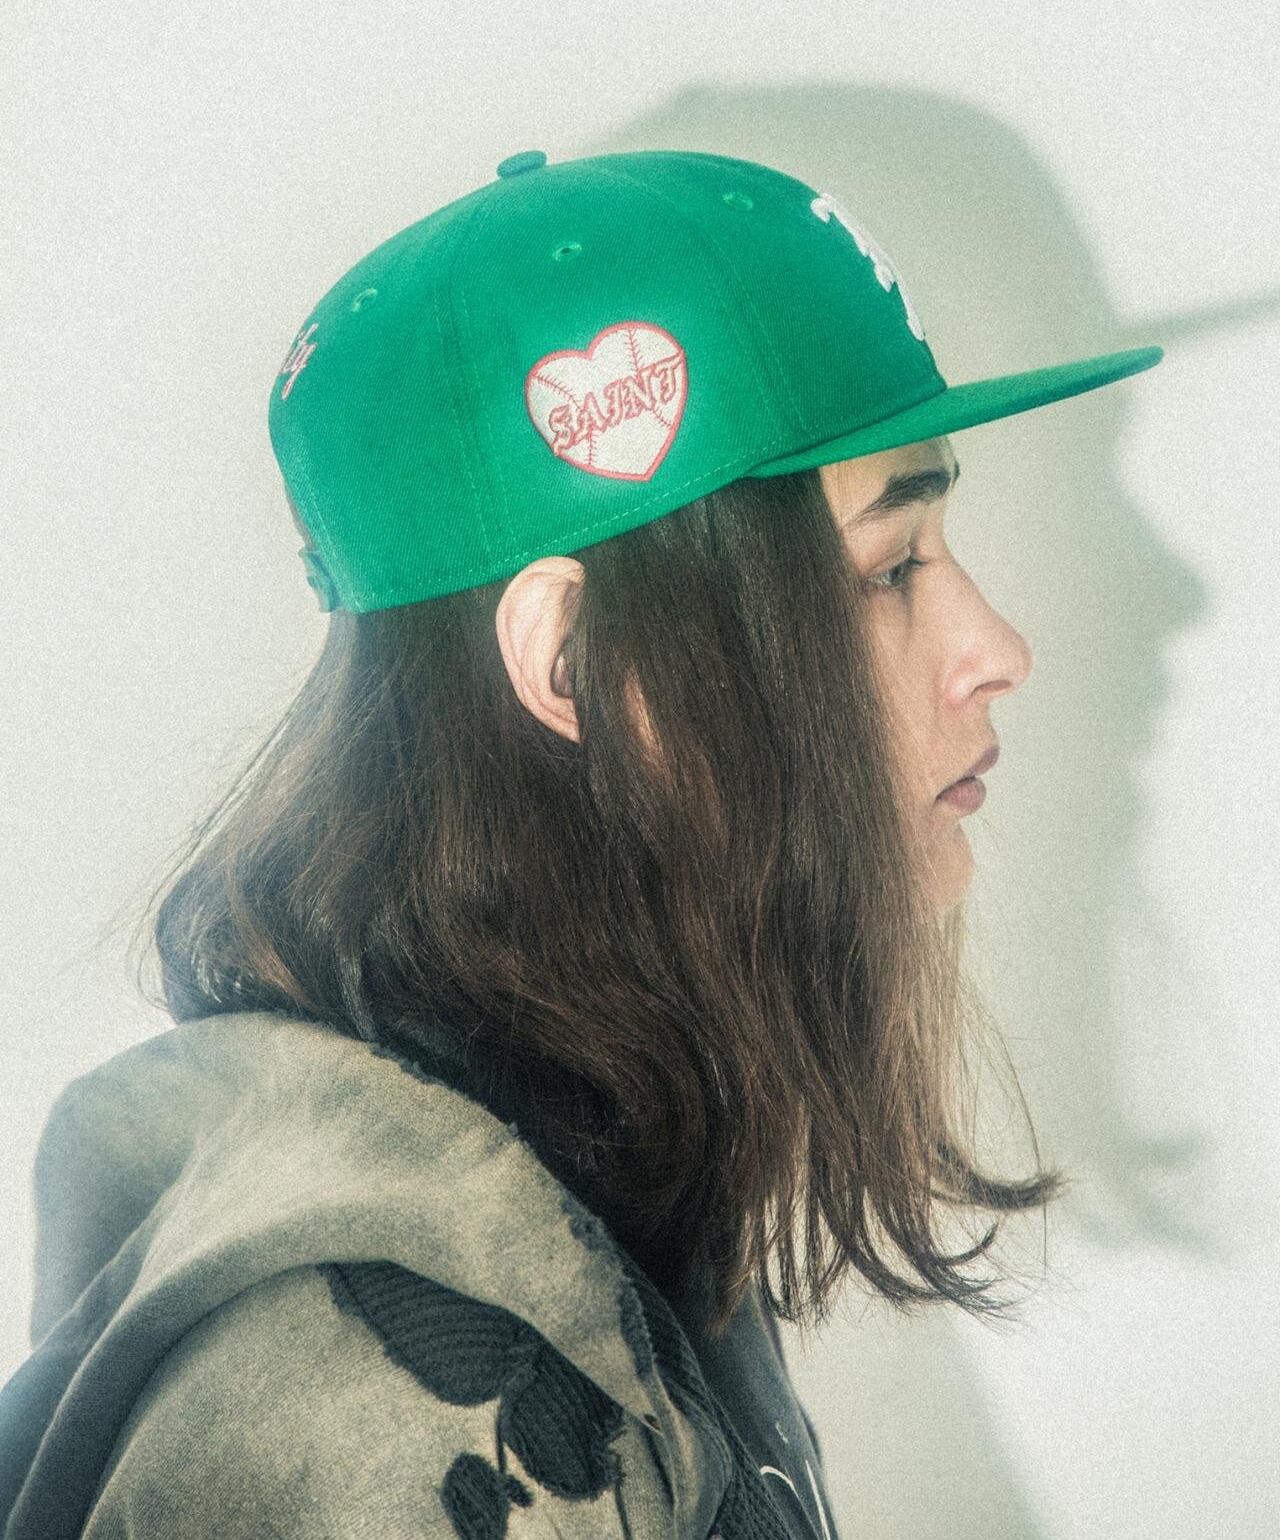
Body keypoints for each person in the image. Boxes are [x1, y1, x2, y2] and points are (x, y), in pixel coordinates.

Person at [0, 147, 1163, 1540]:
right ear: (576, 662)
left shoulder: (582, 1187)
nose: (998, 649)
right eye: (888, 570)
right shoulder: (399, 1417)